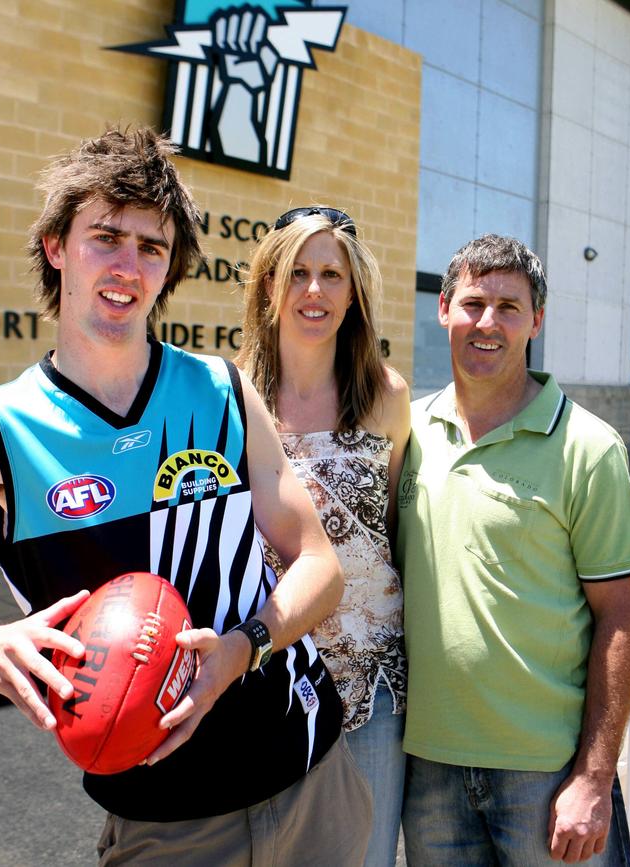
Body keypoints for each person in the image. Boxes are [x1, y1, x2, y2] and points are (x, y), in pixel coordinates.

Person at [0, 128, 373, 866]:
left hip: (312, 782)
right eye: (105, 237)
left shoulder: (220, 391)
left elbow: (319, 566)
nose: (127, 267)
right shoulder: (3, 426)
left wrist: (242, 647)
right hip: (167, 825)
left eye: (152, 248)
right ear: (55, 247)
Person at [396, 233, 630, 866]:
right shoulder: (406, 431)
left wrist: (594, 776)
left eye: (509, 307)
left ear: (537, 320)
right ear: (442, 309)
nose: (488, 323)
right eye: (473, 303)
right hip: (430, 770)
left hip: (547, 774)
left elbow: (622, 613)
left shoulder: (590, 448)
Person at [236, 205, 411, 867]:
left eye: (331, 274)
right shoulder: (231, 398)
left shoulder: (385, 397)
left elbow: (389, 530)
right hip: (266, 679)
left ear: (354, 289)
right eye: (298, 273)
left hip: (370, 691)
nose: (315, 291)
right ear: (269, 287)